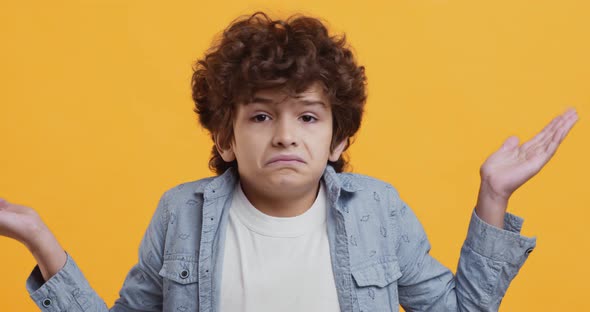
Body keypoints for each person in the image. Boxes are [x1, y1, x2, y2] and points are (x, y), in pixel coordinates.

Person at [0, 11, 579, 312]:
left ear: (337, 139)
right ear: (225, 138)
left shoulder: (378, 210)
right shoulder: (182, 213)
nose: (284, 135)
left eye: (307, 117)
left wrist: (494, 198)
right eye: (259, 116)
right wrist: (38, 237)